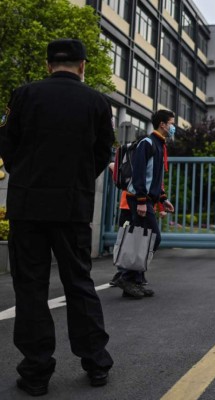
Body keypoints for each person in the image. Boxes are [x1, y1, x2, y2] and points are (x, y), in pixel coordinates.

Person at [0, 38, 114, 395]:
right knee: (79, 283)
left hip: (28, 206)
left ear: (49, 65)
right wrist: (78, 182)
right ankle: (95, 363)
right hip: (72, 207)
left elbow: (7, 145)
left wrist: (26, 177)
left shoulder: (23, 95)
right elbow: (103, 153)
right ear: (82, 66)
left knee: (30, 287)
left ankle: (35, 373)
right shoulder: (97, 102)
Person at [115, 110, 175, 298]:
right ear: (162, 124)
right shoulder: (147, 143)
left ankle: (135, 281)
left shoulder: (159, 145)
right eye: (171, 123)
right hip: (138, 198)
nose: (173, 127)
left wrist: (163, 198)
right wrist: (142, 200)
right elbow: (140, 174)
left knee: (142, 239)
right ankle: (125, 277)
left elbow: (155, 177)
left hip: (147, 198)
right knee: (152, 238)